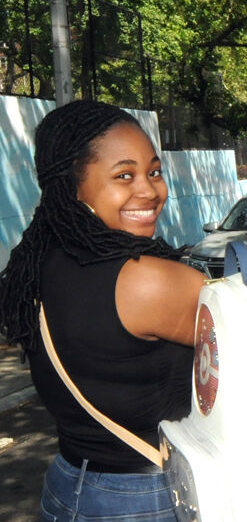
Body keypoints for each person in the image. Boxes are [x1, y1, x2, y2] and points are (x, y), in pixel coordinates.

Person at [0, 100, 205, 521]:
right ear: (73, 184)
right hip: (140, 499)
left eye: (153, 172)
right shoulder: (147, 279)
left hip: (68, 485)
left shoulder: (37, 264)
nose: (148, 190)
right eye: (124, 175)